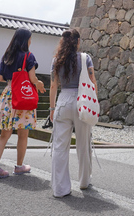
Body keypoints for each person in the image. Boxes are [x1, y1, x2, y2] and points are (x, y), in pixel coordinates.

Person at [0, 28, 45, 180]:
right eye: (30, 39)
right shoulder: (29, 56)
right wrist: (39, 84)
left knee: (4, 134)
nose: (31, 41)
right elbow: (32, 78)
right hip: (23, 96)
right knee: (23, 133)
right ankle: (19, 166)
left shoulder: (7, 55)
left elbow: (0, 77)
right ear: (26, 40)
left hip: (8, 95)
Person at [50, 28, 96, 197]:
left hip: (62, 102)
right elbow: (92, 82)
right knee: (83, 144)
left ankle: (60, 189)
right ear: (77, 42)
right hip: (81, 102)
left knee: (60, 147)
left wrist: (52, 108)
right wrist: (94, 104)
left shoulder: (56, 60)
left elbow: (53, 86)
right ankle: (84, 182)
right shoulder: (85, 58)